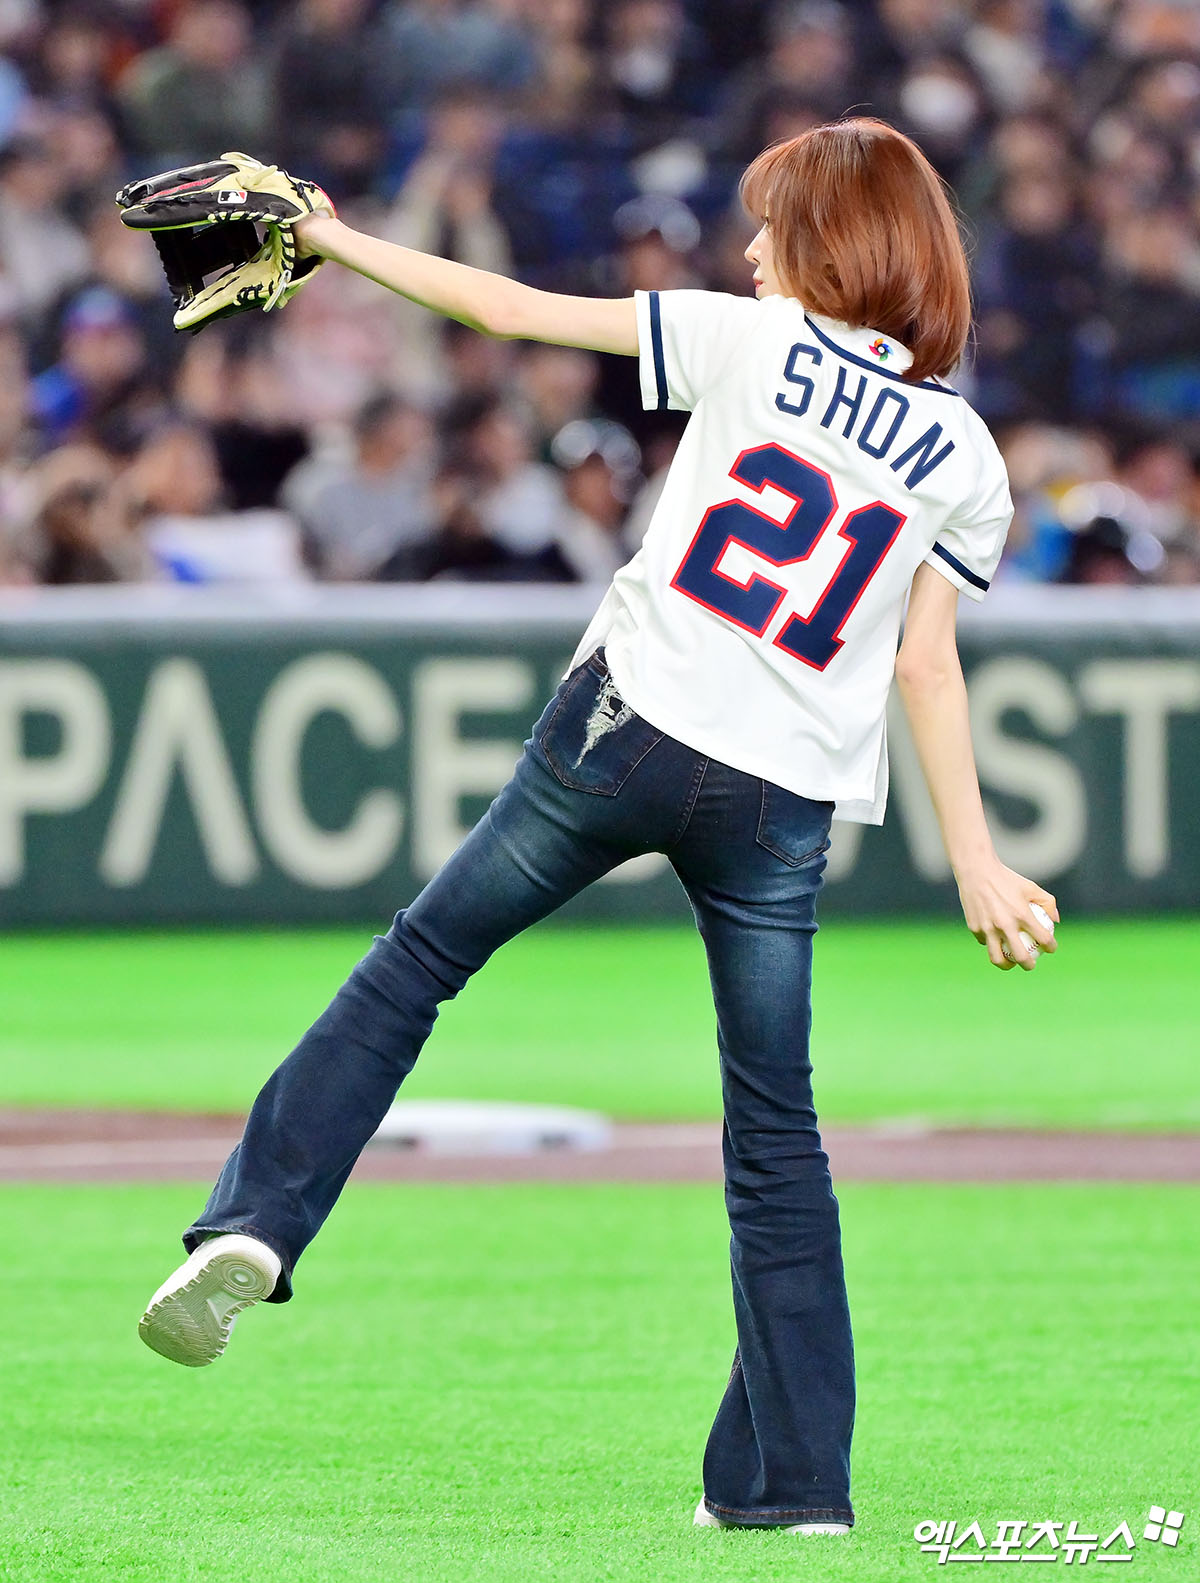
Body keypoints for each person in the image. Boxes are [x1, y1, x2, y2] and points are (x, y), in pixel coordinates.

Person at [137, 117, 1060, 1537]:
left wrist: (327, 235)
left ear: (829, 243)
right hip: (778, 801)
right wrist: (978, 859)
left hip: (626, 729)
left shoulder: (752, 342)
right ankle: (793, 1487)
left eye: (771, 226)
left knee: (416, 965)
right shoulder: (968, 452)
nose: (749, 249)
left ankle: (257, 1222)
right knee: (775, 1133)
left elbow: (505, 310)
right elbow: (925, 664)